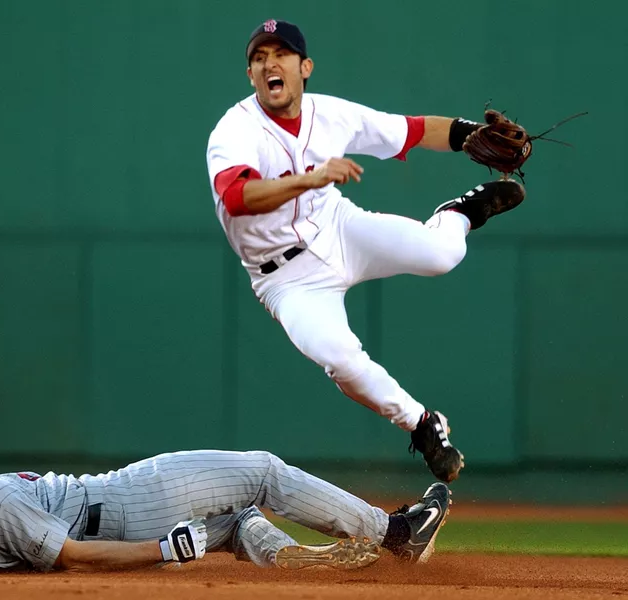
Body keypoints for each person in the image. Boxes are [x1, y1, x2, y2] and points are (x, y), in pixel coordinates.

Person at [206, 19, 527, 483]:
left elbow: (412, 131)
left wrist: (467, 133)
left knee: (442, 255)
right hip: (284, 279)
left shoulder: (330, 114)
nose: (269, 63)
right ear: (250, 75)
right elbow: (238, 198)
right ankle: (422, 425)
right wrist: (311, 179)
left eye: (281, 54)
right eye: (259, 57)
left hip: (338, 228)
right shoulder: (234, 130)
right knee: (340, 360)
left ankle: (458, 213)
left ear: (305, 67)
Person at [0, 430, 450, 572]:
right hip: (126, 502)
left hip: (112, 509)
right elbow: (72, 556)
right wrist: (163, 549)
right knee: (262, 472)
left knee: (239, 522)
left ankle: (303, 569)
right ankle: (394, 534)